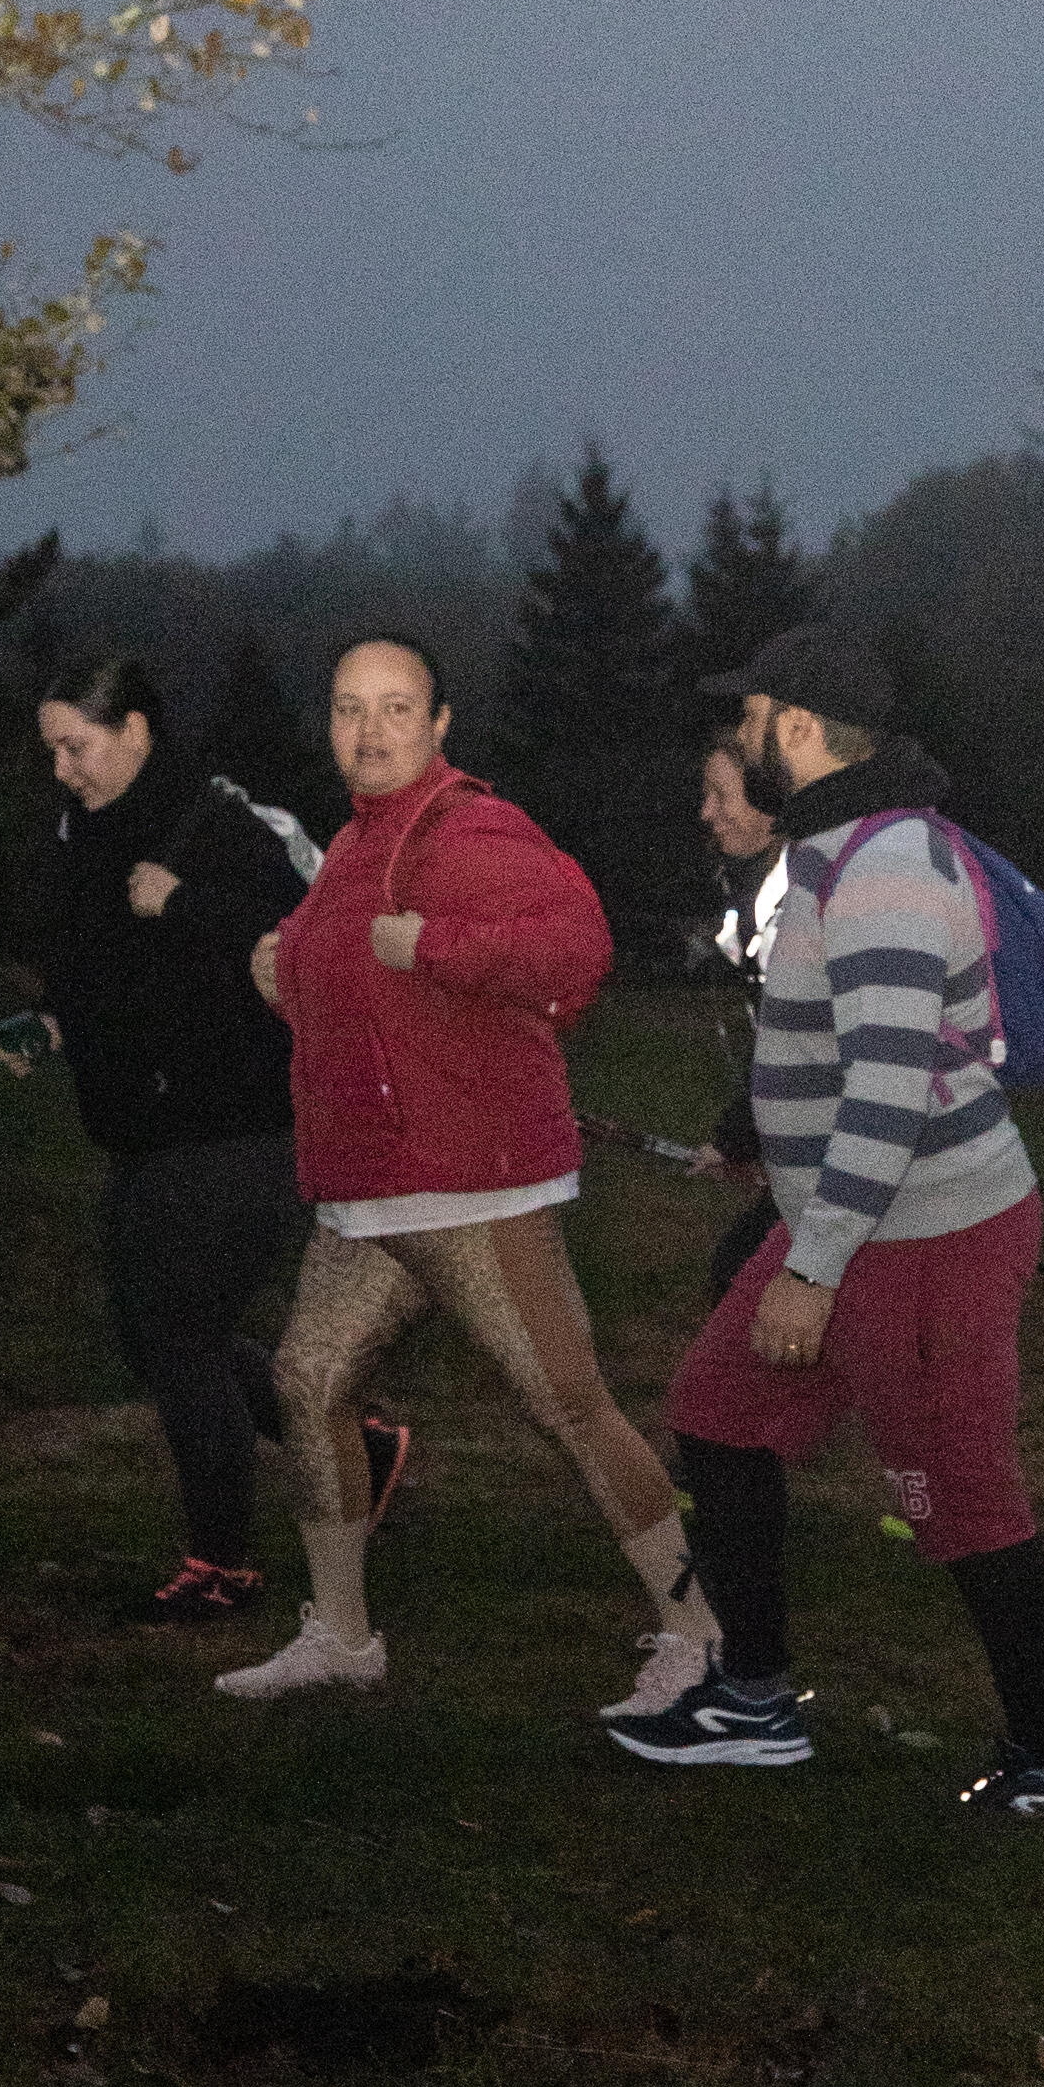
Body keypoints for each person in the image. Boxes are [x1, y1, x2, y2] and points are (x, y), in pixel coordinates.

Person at [609, 623, 1044, 1815]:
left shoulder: (884, 867)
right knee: (719, 1414)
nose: (737, 740)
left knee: (956, 1494)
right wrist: (763, 1147)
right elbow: (834, 1052)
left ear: (798, 728)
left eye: (750, 718)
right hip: (848, 1214)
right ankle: (755, 1700)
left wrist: (811, 1266)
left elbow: (889, 1088)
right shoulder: (836, 850)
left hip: (926, 1233)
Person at [216, 635, 713, 1702]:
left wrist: (437, 944)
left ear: (440, 723)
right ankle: (342, 1638)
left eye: (396, 707)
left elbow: (575, 948)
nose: (369, 730)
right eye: (349, 707)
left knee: (569, 1405)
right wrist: (281, 977)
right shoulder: (357, 843)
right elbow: (364, 1004)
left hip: (465, 1183)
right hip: (371, 1186)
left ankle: (701, 1635)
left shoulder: (465, 827)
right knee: (307, 1382)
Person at [5, 657, 321, 1620]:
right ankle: (354, 1444)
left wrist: (183, 902)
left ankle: (222, 1566)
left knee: (177, 1340)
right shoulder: (92, 831)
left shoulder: (214, 823)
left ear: (135, 730)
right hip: (148, 1124)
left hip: (233, 1124)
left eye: (77, 747)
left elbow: (305, 945)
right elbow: (115, 968)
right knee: (158, 1337)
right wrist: (57, 1023)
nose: (62, 769)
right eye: (52, 751)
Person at [695, 733, 789, 1305]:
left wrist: (734, 1139)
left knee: (739, 1279)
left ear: (768, 805)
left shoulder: (794, 895)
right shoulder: (756, 886)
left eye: (721, 796)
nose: (707, 813)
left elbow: (789, 1038)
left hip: (858, 1151)